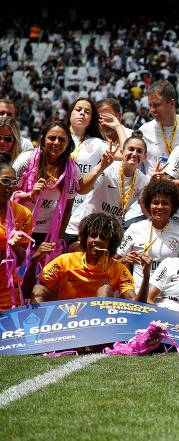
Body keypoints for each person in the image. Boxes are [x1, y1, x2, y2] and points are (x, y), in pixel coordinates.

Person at [64, 132, 149, 248]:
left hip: (107, 236)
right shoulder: (109, 168)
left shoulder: (144, 180)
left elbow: (147, 211)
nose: (134, 154)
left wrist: (156, 186)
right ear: (122, 152)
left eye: (139, 151)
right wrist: (101, 166)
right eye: (131, 149)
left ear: (145, 156)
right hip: (81, 230)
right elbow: (81, 189)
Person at [32, 213, 135, 302]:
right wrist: (34, 259)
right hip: (65, 319)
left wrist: (146, 274)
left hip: (97, 321)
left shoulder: (119, 269)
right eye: (93, 236)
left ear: (111, 243)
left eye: (103, 237)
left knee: (105, 290)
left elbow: (133, 301)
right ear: (85, 238)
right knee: (38, 289)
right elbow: (30, 289)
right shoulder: (64, 260)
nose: (97, 240)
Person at [13, 121, 79, 256]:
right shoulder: (26, 159)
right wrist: (29, 194)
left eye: (62, 139)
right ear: (43, 139)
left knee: (35, 272)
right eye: (52, 138)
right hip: (19, 226)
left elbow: (67, 208)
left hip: (47, 232)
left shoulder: (73, 170)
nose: (56, 142)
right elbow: (9, 193)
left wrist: (58, 239)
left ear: (68, 143)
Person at [117, 179, 179, 296]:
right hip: (137, 296)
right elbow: (114, 262)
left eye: (165, 203)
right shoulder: (135, 229)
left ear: (173, 207)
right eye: (155, 202)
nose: (159, 207)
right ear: (149, 205)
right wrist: (123, 260)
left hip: (166, 298)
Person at [138, 80, 179, 171]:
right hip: (153, 184)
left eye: (156, 105)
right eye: (150, 106)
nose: (151, 110)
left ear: (172, 103)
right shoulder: (144, 130)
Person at [66, 97, 108, 231]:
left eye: (87, 112)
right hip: (54, 206)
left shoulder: (97, 143)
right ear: (70, 113)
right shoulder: (56, 136)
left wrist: (118, 126)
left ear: (91, 120)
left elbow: (123, 154)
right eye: (78, 109)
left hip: (81, 209)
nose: (82, 113)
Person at [0, 157, 32, 311]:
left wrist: (15, 247)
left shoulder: (23, 213)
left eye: (13, 182)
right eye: (6, 181)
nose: (10, 187)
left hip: (8, 287)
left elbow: (22, 261)